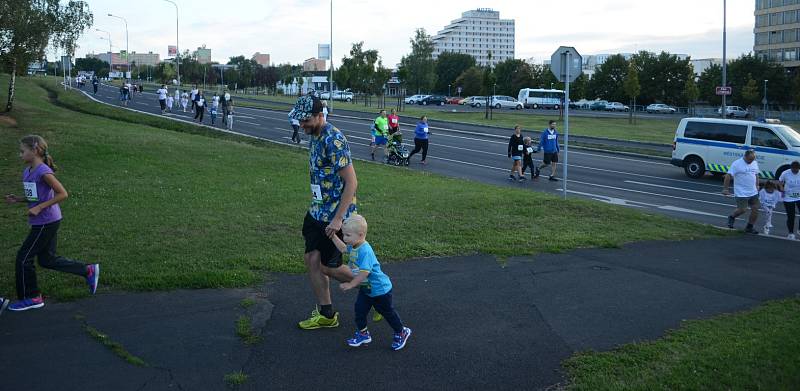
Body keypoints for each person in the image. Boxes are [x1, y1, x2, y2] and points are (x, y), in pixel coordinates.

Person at [4, 135, 100, 311]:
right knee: (47, 260)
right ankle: (87, 271)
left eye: (22, 151)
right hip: (44, 220)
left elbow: (63, 194)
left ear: (34, 151)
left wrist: (39, 208)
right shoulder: (28, 171)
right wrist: (18, 199)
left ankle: (32, 297)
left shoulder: (43, 171)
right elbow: (35, 197)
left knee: (23, 258)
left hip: (46, 221)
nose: (20, 155)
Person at [289, 95, 358, 330]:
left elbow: (351, 182)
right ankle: (326, 314)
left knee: (330, 267)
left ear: (320, 116)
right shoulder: (315, 135)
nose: (302, 125)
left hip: (334, 217)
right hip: (317, 211)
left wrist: (339, 219)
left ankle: (374, 287)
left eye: (306, 120)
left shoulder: (333, 139)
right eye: (300, 121)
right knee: (312, 259)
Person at [327, 215, 412, 350]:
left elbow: (364, 273)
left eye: (348, 235)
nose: (345, 238)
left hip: (380, 290)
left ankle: (402, 332)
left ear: (360, 235)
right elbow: (343, 248)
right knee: (359, 311)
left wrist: (351, 284)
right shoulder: (354, 245)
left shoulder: (365, 251)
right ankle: (363, 334)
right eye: (344, 235)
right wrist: (333, 237)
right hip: (367, 289)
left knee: (388, 313)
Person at [723, 150, 760, 234]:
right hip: (741, 192)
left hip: (753, 191)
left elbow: (756, 174)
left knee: (755, 209)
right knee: (743, 209)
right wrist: (725, 189)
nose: (751, 161)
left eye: (753, 159)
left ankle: (749, 227)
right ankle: (732, 217)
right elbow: (728, 176)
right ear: (745, 156)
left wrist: (757, 185)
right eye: (750, 159)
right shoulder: (737, 164)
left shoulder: (754, 163)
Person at [779, 160, 800, 240]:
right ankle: (790, 233)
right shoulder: (785, 173)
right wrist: (781, 188)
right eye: (793, 169)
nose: (795, 171)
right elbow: (780, 181)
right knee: (791, 216)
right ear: (791, 168)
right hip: (788, 197)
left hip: (799, 196)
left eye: (796, 169)